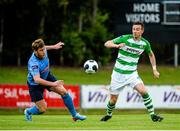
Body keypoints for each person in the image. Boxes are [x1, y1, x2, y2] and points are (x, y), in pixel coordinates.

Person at [100, 22, 163, 122]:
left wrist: (154, 69)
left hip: (132, 74)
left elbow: (151, 54)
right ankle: (109, 114)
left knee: (143, 91)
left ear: (142, 31)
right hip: (118, 74)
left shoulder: (145, 43)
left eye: (137, 29)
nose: (135, 31)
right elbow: (107, 43)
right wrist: (116, 46)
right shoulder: (125, 38)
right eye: (133, 29)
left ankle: (153, 115)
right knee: (113, 100)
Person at [24, 38, 86, 122]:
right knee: (42, 109)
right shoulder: (33, 63)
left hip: (47, 76)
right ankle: (28, 111)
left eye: (43, 49)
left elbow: (45, 47)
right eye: (41, 50)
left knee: (63, 92)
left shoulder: (43, 50)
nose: (43, 52)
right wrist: (53, 84)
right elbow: (37, 79)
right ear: (35, 51)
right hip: (35, 84)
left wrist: (54, 46)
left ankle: (74, 115)